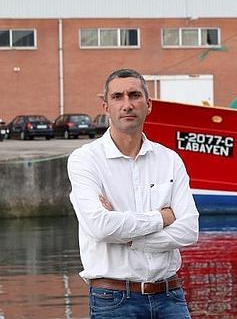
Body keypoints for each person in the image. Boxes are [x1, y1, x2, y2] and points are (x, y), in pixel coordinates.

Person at [67, 68, 199, 318]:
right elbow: (101, 227)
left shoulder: (169, 160)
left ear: (148, 105)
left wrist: (131, 239)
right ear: (106, 106)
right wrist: (161, 218)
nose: (127, 104)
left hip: (170, 294)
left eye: (134, 95)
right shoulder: (85, 160)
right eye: (118, 97)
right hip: (113, 299)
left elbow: (189, 230)